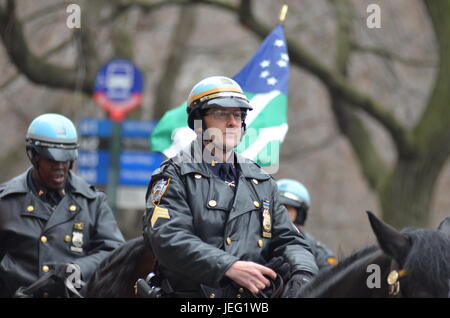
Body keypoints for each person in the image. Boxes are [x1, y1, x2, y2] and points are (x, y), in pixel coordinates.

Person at [143, 76, 318, 298]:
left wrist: (303, 273)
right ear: (199, 120)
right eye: (222, 114)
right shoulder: (173, 175)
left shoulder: (262, 180)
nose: (233, 123)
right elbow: (167, 238)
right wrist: (229, 267)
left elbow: (291, 240)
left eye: (238, 115)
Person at [0, 113, 125, 297]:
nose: (60, 166)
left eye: (65, 160)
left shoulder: (92, 202)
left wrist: (78, 268)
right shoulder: (6, 201)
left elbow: (115, 251)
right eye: (52, 159)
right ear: (34, 156)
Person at [276, 179, 337, 269]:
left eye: (287, 208)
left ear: (300, 214)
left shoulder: (318, 253)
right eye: (277, 207)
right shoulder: (254, 242)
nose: (280, 212)